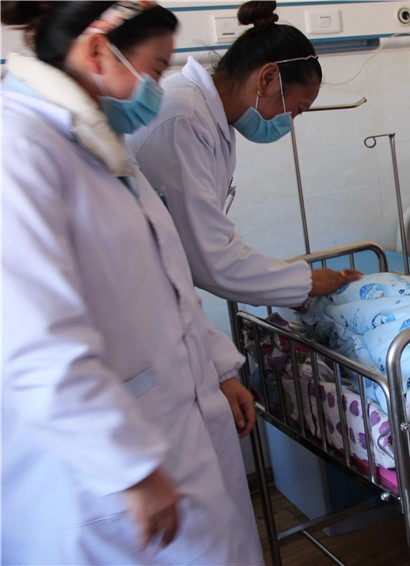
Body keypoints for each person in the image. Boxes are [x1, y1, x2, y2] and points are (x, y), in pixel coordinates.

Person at [1, 2, 262, 564]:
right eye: (156, 69)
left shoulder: (97, 143)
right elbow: (35, 344)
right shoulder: (18, 149)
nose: (157, 89)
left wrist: (217, 367)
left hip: (170, 426)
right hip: (98, 473)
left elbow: (165, 279)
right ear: (98, 50)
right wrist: (130, 468)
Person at [128, 0, 361, 311]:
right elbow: (210, 258)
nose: (290, 121)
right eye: (296, 109)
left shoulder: (211, 120)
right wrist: (305, 282)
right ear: (267, 78)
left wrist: (295, 284)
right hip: (139, 296)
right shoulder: (182, 119)